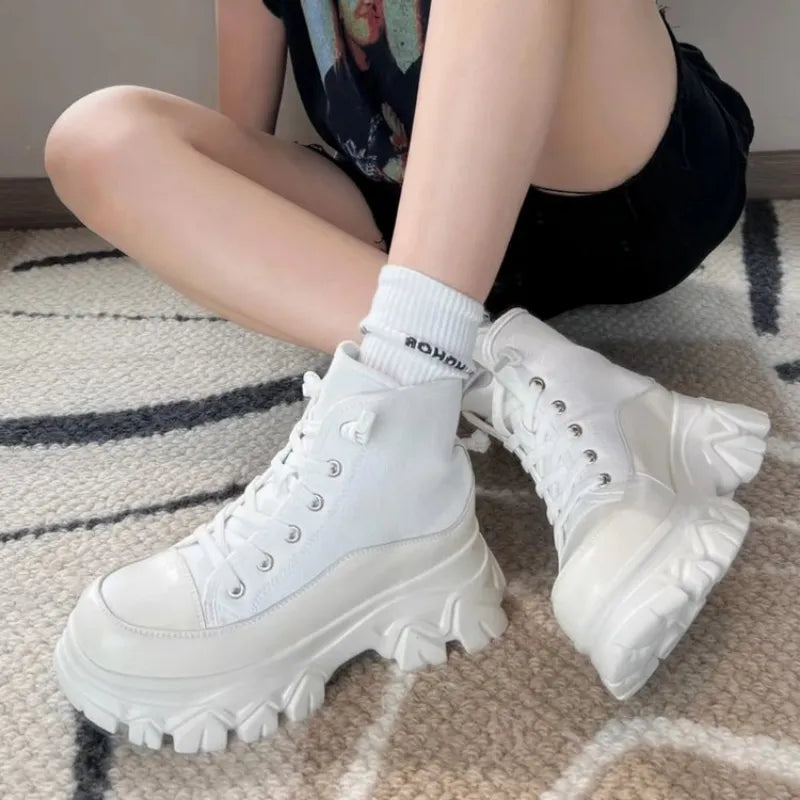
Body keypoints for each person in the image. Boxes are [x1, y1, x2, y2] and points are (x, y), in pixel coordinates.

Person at [45, 0, 769, 753]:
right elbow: (235, 159)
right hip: (407, 227)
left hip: (621, 181)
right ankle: (542, 382)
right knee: (99, 138)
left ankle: (396, 440)